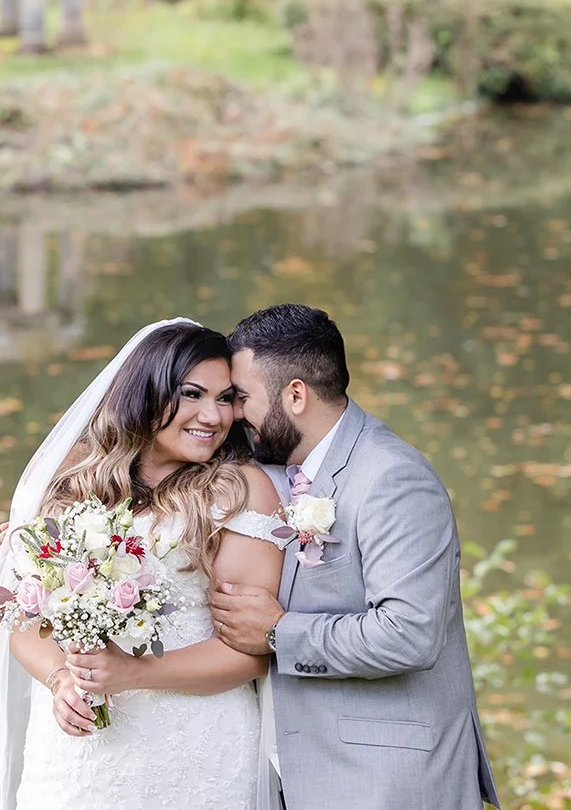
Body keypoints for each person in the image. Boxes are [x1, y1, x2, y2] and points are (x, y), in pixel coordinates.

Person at [0, 320, 288, 810]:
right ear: (146, 393)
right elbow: (23, 621)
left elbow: (249, 653)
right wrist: (61, 679)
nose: (213, 416)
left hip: (194, 752)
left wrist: (131, 672)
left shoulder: (238, 492)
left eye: (226, 398)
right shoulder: (70, 482)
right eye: (191, 395)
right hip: (76, 758)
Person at [210, 303, 499, 810]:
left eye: (243, 398)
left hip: (387, 780)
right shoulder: (273, 470)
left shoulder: (392, 478)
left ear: (295, 395)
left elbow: (408, 635)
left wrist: (278, 633)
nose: (234, 415)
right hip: (296, 771)